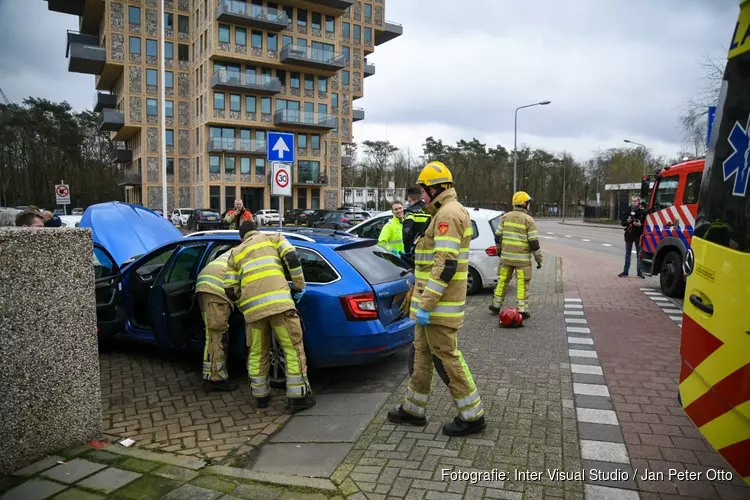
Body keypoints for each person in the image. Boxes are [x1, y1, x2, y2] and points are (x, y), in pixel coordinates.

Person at [387, 161, 485, 437]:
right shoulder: (443, 212)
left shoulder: (447, 215)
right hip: (430, 306)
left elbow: (446, 265)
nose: (421, 196)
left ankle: (472, 415)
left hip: (439, 307)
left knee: (447, 358)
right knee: (422, 355)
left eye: (423, 190)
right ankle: (413, 409)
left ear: (436, 188)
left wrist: (427, 305)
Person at [225, 219, 315, 411]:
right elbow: (292, 258)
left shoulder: (235, 253)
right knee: (292, 348)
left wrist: (245, 306)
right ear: (257, 230)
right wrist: (298, 286)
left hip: (254, 314)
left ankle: (261, 397)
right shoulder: (273, 238)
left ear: (242, 237)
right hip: (280, 307)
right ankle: (297, 398)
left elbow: (230, 291)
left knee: (257, 352)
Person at [489, 191, 542, 319]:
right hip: (522, 260)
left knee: (502, 281)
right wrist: (539, 259)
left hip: (506, 258)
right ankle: (522, 310)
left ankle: (496, 306)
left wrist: (500, 250)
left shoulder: (505, 217)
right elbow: (534, 242)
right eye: (528, 203)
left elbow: (497, 236)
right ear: (524, 204)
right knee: (522, 284)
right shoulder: (528, 220)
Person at [196, 249, 238, 392]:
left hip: (209, 284)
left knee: (212, 334)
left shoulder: (239, 249)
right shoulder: (256, 254)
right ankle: (216, 379)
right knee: (216, 336)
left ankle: (211, 374)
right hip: (215, 289)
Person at [401, 187, 432, 265]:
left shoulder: (410, 212)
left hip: (415, 253)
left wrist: (407, 251)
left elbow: (406, 232)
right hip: (431, 252)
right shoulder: (430, 210)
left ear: (409, 199)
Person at [619, 196, 646, 278]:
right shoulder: (628, 210)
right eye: (633, 201)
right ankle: (625, 271)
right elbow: (622, 223)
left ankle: (639, 272)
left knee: (639, 254)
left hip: (638, 235)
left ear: (639, 201)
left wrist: (641, 224)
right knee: (628, 254)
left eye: (635, 201)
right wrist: (628, 222)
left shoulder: (643, 211)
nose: (634, 202)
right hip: (629, 235)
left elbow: (646, 223)